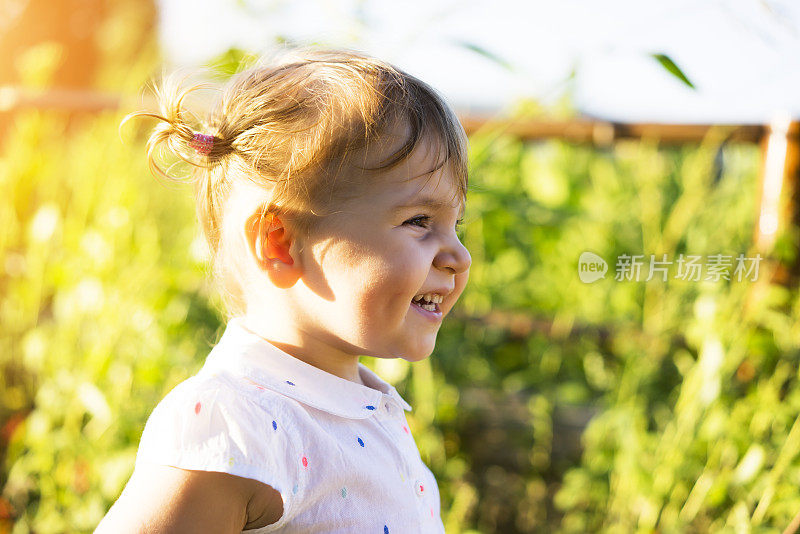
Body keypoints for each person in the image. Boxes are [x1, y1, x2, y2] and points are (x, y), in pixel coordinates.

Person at [96, 46, 471, 533]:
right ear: (281, 243)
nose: (458, 255)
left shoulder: (360, 408)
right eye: (419, 221)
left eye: (455, 223)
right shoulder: (238, 425)